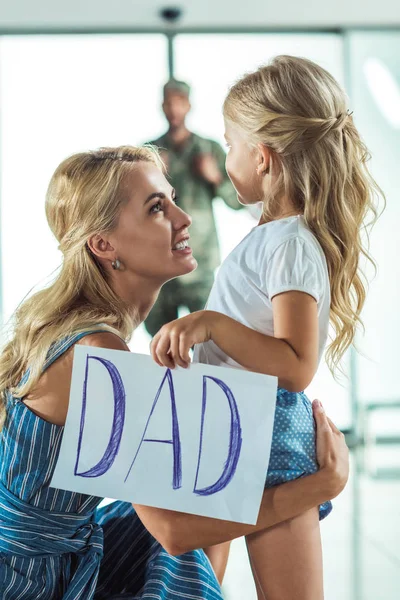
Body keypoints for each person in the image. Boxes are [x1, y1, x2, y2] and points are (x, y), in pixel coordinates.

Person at [0, 145, 348, 600]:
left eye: (174, 198)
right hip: (28, 582)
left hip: (62, 552)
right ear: (104, 245)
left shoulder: (87, 332)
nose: (184, 219)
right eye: (157, 208)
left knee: (213, 463)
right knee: (202, 501)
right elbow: (174, 532)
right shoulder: (99, 349)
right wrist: (322, 484)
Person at [150, 56, 384, 599]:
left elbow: (296, 365)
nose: (223, 155)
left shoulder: (290, 243)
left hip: (268, 439)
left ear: (262, 157)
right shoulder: (274, 236)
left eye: (229, 143)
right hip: (236, 427)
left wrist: (209, 324)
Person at [144, 79, 241, 337]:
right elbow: (132, 207)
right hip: (160, 263)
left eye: (180, 103)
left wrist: (214, 178)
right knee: (160, 341)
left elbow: (237, 201)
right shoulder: (149, 153)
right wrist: (152, 176)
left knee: (210, 343)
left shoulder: (210, 149)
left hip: (200, 261)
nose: (174, 110)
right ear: (161, 106)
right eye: (168, 103)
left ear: (189, 106)